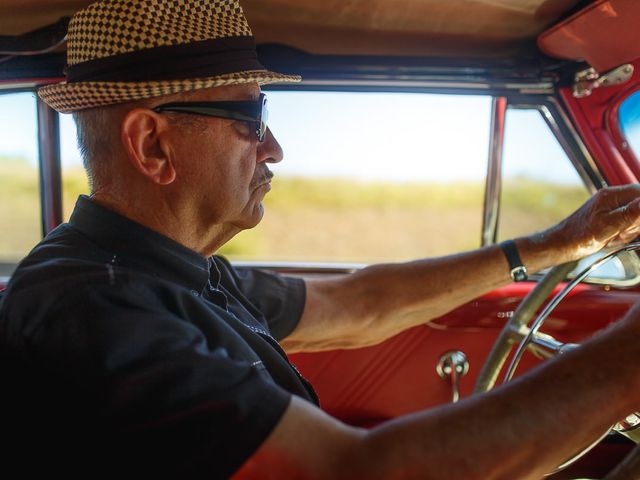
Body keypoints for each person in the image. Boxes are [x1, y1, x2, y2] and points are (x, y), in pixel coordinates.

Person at [1, 0, 640, 478]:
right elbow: (349, 473)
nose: (275, 147)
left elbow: (358, 303)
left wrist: (548, 247)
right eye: (252, 118)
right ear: (151, 144)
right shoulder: (93, 312)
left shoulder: (174, 269)